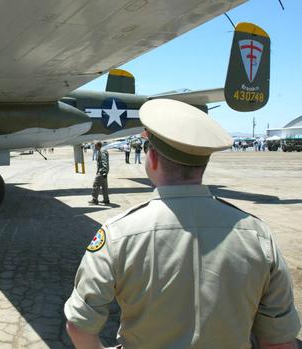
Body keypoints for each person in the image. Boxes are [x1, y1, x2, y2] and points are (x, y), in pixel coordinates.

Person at [65, 99, 300, 349]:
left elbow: (78, 326)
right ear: (203, 163)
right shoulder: (257, 234)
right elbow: (279, 343)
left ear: (152, 158)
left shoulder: (117, 234)